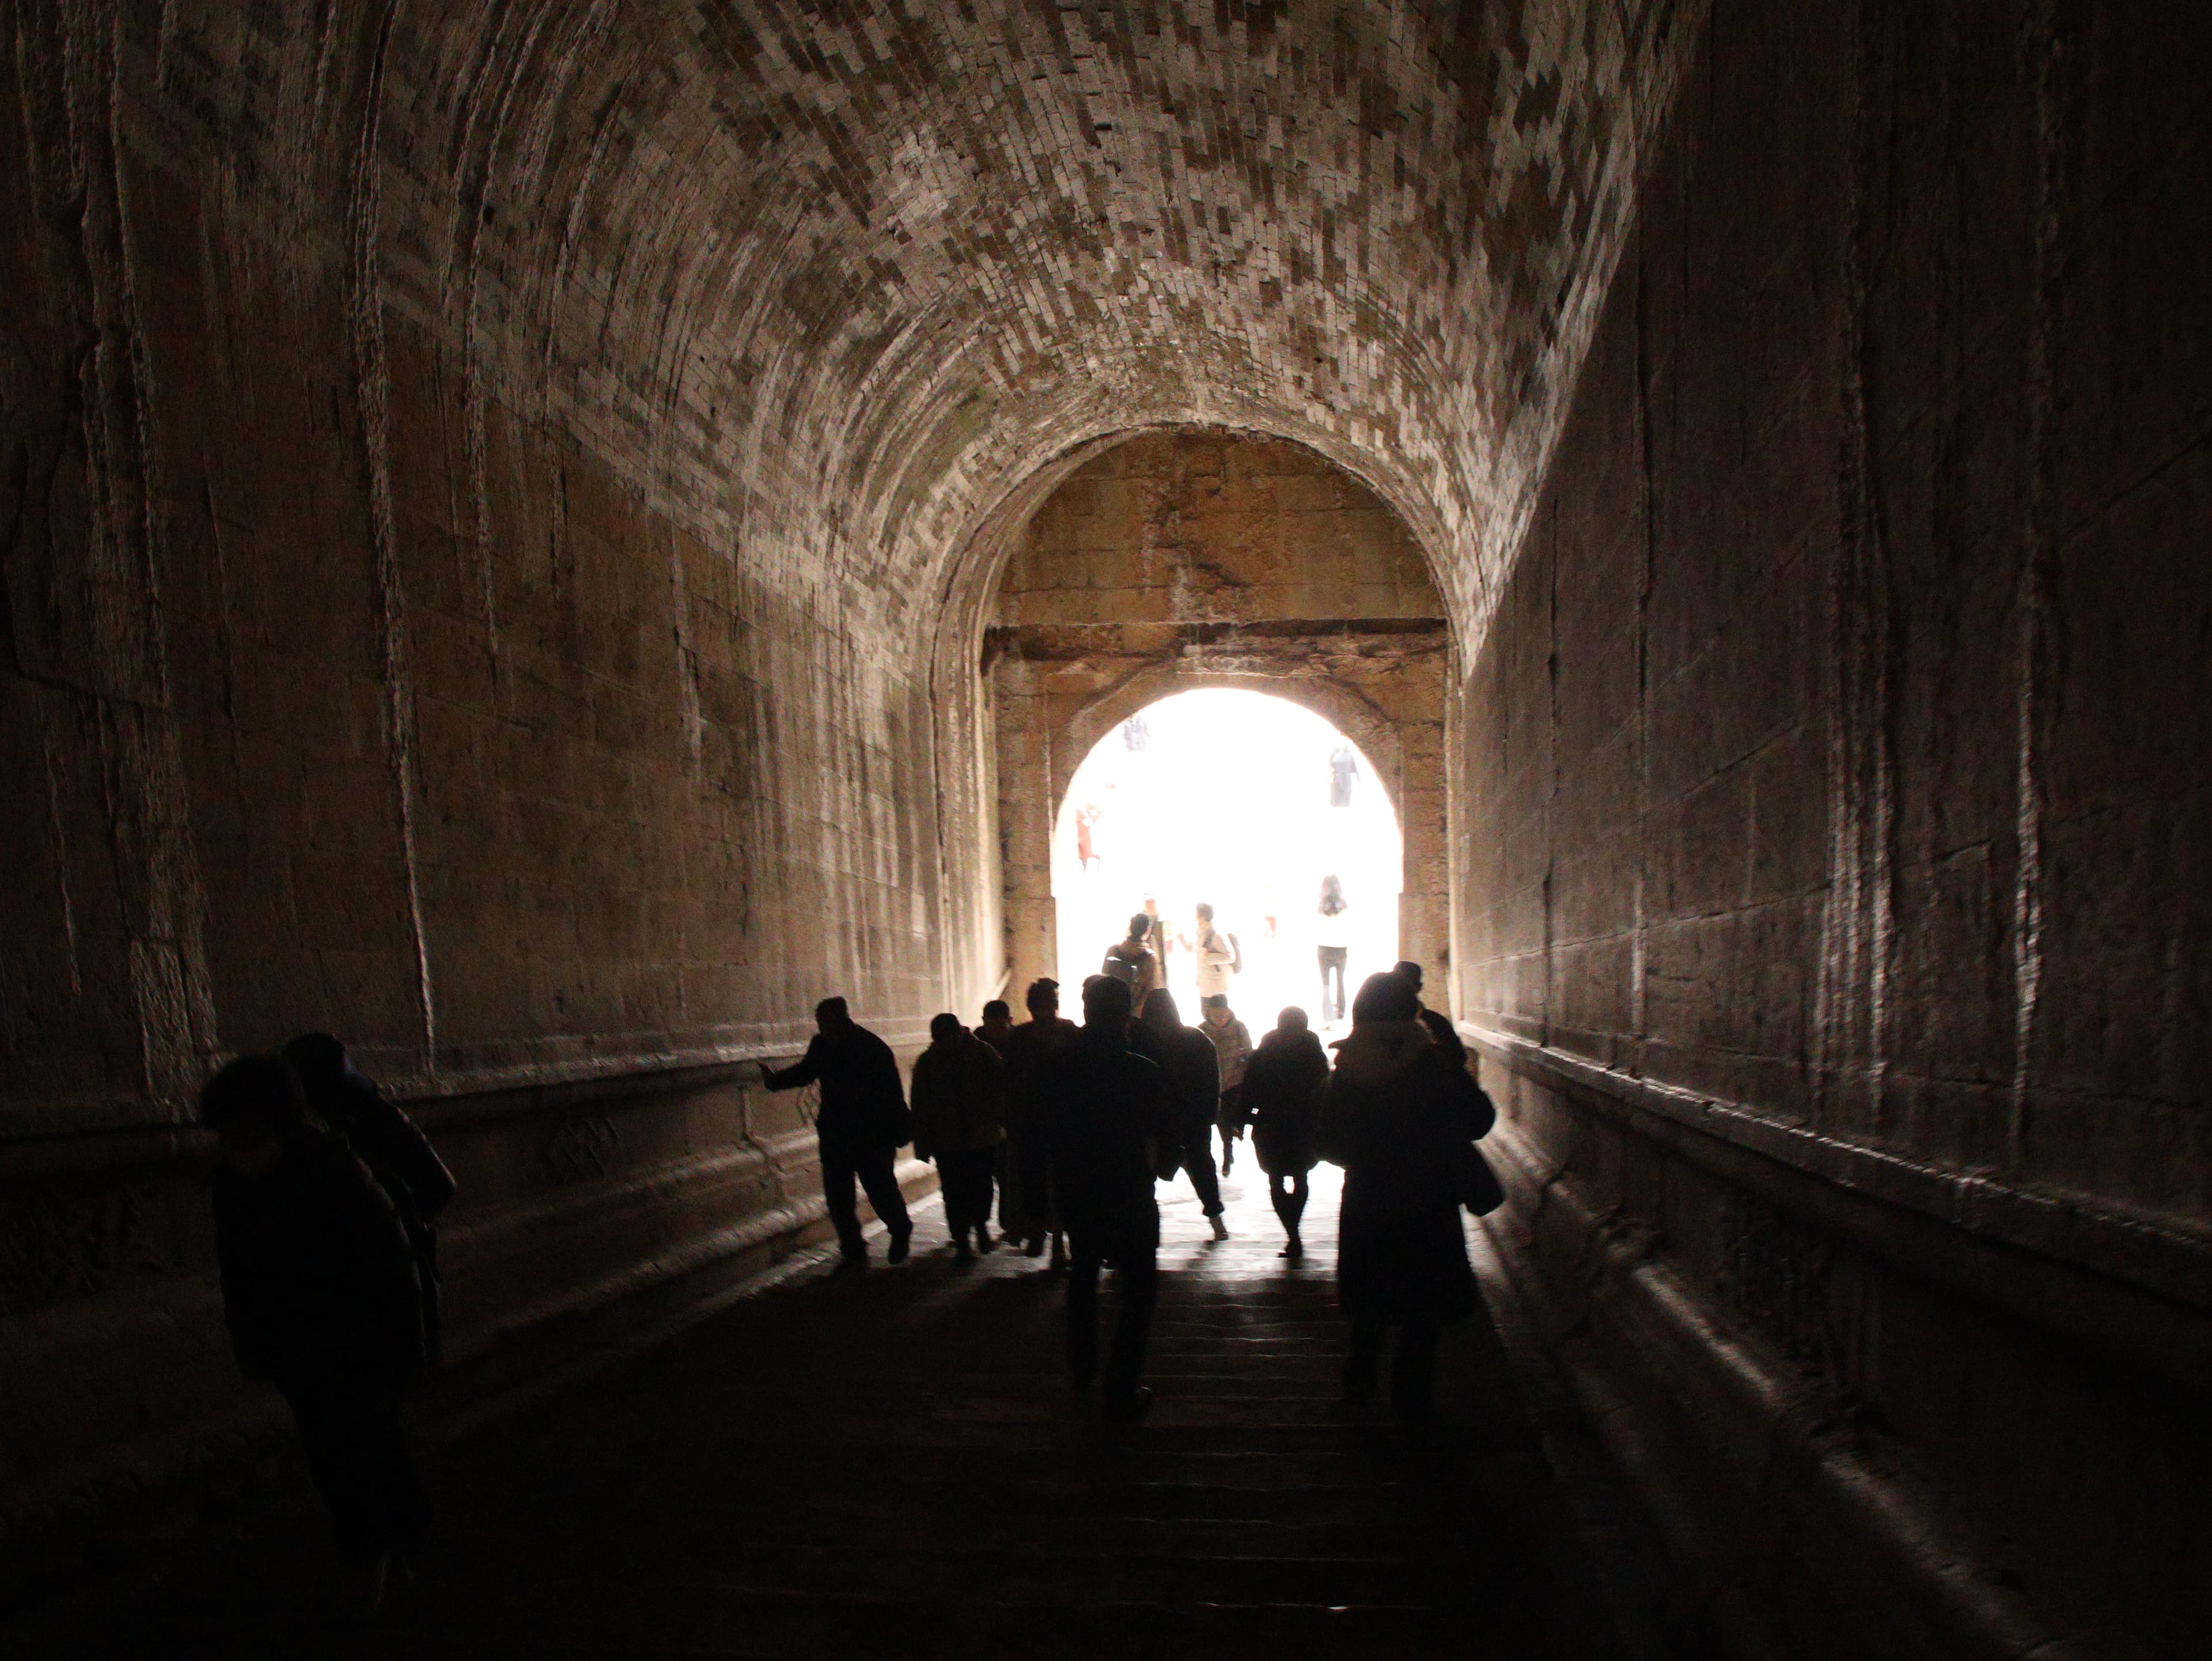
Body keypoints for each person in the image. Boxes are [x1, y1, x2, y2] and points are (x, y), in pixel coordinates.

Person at [202, 1055, 429, 1613]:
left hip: (356, 1345)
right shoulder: (237, 1185)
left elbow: (390, 1268)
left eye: (241, 1131)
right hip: (303, 1350)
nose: (233, 1145)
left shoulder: (334, 1175)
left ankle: (374, 1559)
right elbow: (241, 1279)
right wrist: (258, 1346)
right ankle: (390, 1555)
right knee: (340, 1455)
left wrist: (397, 1351)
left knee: (360, 1454)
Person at [1316, 974, 1497, 1423]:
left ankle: (1358, 1391)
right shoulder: (1435, 1063)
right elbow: (1479, 1119)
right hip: (1428, 1199)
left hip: (1370, 1199)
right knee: (1423, 1309)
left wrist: (1369, 1155)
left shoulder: (1349, 1067)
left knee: (1370, 1304)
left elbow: (1327, 1143)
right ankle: (1413, 1404)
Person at [1045, 975, 1176, 1421]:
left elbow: (1040, 1129)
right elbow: (1166, 1132)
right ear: (1126, 1016)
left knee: (1083, 1276)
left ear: (1086, 1011)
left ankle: (1083, 1368)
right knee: (1138, 1288)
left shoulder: (1059, 1067)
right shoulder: (1142, 1070)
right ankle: (1121, 1383)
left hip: (1078, 1189)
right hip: (1128, 1189)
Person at [283, 1032, 456, 1365]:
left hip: (389, 1286)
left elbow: (439, 1186)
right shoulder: (317, 1137)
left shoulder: (378, 1121)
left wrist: (392, 1231)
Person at [763, 997, 914, 1270]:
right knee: (838, 1197)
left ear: (842, 1021)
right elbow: (807, 1071)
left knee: (880, 1189)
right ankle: (853, 1249)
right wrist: (776, 1081)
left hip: (871, 1134)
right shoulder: (823, 1045)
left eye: (826, 1024)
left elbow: (891, 1095)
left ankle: (900, 1228)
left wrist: (895, 1131)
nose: (822, 1030)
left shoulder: (872, 1048)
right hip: (837, 1134)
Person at [1134, 988, 1229, 1240]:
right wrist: (1208, 1114)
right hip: (1192, 1119)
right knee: (1202, 1168)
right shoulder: (1197, 1040)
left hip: (1154, 1122)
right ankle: (1216, 1218)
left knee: (1145, 1174)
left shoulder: (1140, 1044)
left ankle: (1139, 1232)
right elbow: (1212, 1081)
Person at [911, 1013, 1006, 1263]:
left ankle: (980, 1226)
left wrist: (999, 1120)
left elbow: (1000, 1088)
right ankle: (963, 1240)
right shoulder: (929, 1062)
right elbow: (920, 1105)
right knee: (954, 1193)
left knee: (981, 1187)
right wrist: (922, 1141)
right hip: (949, 1140)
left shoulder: (982, 1054)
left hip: (980, 1136)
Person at [997, 978, 1077, 1268]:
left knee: (1056, 1182)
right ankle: (1041, 1230)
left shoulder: (1063, 1034)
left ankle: (1052, 1238)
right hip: (1035, 1122)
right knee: (1036, 1181)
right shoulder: (1029, 1037)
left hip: (1054, 1122)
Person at [1243, 1007, 1330, 1257]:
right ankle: (1294, 1231)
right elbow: (1323, 1088)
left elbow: (1250, 1087)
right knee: (1301, 1177)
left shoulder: (1265, 1051)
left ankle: (1292, 1234)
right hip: (1304, 1124)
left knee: (1276, 1179)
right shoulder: (1313, 1051)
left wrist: (1242, 1117)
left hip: (1270, 1124)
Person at [1198, 993, 1252, 1174]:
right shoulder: (1201, 1031)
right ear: (1209, 1013)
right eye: (1216, 1015)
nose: (1220, 1019)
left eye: (1223, 1015)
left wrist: (1242, 1059)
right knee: (1222, 1119)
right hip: (1213, 1083)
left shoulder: (1239, 1028)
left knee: (1228, 1117)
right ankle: (1228, 1151)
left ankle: (1228, 1151)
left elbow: (1248, 1052)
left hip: (1234, 1082)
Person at [1391, 961, 1467, 1066]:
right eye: (1398, 985)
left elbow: (1457, 1059)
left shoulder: (1437, 1023)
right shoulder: (1437, 1022)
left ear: (1418, 988)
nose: (1401, 990)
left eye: (1405, 986)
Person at [1101, 912, 1162, 1002]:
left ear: (1131, 926)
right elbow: (1154, 991)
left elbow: (1103, 981)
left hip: (1111, 1006)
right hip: (1136, 1010)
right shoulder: (1151, 959)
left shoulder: (1113, 951)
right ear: (1148, 931)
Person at [1315, 875, 1351, 1023]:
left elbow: (1317, 926)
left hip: (1324, 947)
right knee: (1340, 981)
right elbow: (1348, 926)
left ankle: (1327, 1014)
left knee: (1325, 983)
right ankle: (1341, 1012)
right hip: (1341, 947)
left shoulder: (1320, 905)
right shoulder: (1344, 904)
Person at [1192, 902, 1236, 1002]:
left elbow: (1230, 956)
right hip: (1205, 985)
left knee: (1215, 1011)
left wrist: (1209, 957)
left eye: (1196, 913)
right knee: (1206, 1010)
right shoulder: (1201, 933)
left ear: (1202, 917)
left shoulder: (1215, 935)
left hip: (1216, 988)